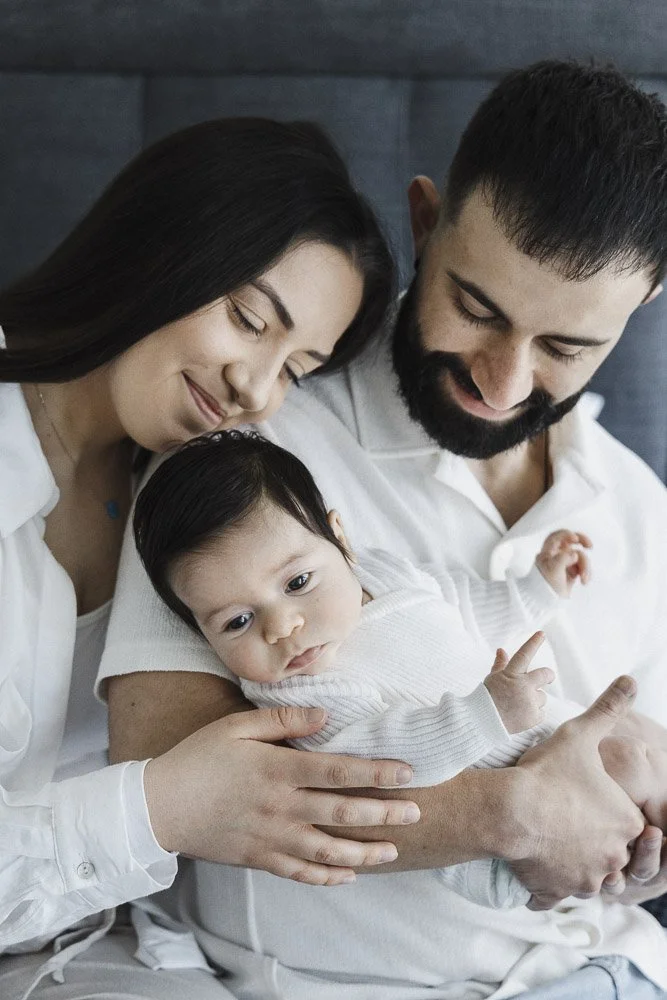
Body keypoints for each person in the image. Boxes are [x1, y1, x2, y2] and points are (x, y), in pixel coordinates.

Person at [100, 62, 667, 999]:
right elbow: (170, 781)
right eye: (476, 309)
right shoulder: (247, 452)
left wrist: (638, 847)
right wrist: (506, 816)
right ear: (422, 224)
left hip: (597, 965)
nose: (502, 382)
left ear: (641, 307)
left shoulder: (641, 508)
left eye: (564, 345)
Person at [0, 117, 430, 1000]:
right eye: (246, 319)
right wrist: (162, 806)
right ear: (160, 244)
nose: (254, 390)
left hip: (92, 947)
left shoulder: (190, 509)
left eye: (297, 368)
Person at [130, 428, 614, 912]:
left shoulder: (383, 575)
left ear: (340, 539)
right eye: (237, 621)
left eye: (297, 582)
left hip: (551, 732)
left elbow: (464, 609)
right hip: (504, 857)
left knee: (637, 764)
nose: (282, 627)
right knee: (623, 799)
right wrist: (485, 714)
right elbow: (380, 763)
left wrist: (537, 590)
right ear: (201, 635)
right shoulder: (299, 694)